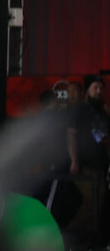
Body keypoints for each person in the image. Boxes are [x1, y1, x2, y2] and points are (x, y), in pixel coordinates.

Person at [66, 74, 110, 243]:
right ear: (87, 90)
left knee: (98, 205)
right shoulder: (80, 109)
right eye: (95, 88)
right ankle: (69, 235)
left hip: (100, 165)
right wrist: (74, 160)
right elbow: (71, 134)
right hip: (85, 164)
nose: (99, 91)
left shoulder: (101, 111)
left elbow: (104, 138)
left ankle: (85, 239)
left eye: (101, 88)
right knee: (92, 202)